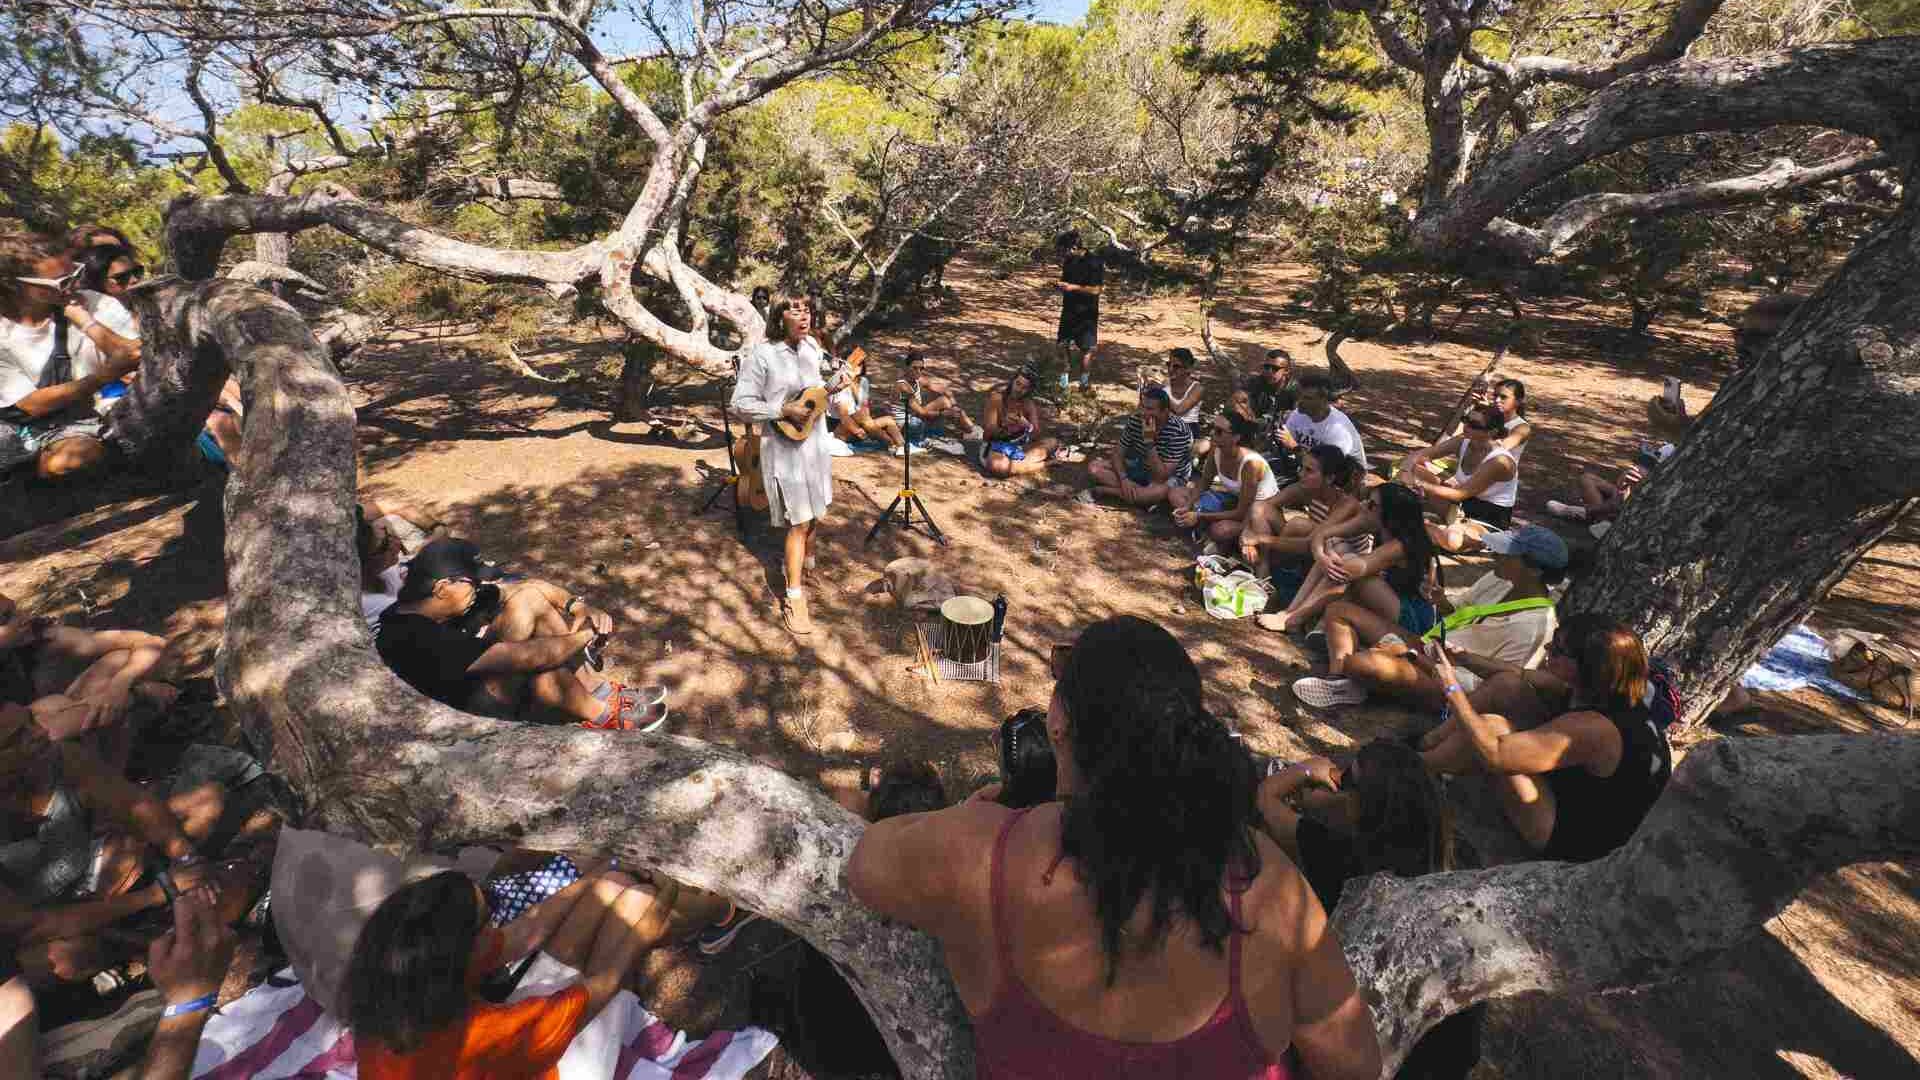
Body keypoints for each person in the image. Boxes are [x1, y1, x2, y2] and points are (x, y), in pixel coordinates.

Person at [848, 616, 1382, 1079]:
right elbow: (1354, 1064)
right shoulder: (1267, 886)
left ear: (1059, 725)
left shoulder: (982, 851)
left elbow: (866, 864)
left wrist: (965, 817)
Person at [0, 702, 267, 993]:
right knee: (69, 957)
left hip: (89, 884)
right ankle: (144, 945)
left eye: (32, 722)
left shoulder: (61, 759)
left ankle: (152, 932)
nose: (40, 734)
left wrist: (188, 860)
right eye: (16, 739)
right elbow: (30, 927)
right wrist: (154, 894)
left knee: (205, 804)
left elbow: (135, 805)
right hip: (31, 935)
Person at [1253, 743, 1482, 1077]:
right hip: (1446, 1057)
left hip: (1375, 1056)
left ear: (1360, 806)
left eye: (1348, 781)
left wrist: (1305, 770)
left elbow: (1265, 800)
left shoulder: (1342, 856)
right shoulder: (1460, 854)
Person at [344, 867, 674, 1078]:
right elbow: (607, 981)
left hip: (497, 1057)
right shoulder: (487, 1033)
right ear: (461, 946)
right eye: (490, 912)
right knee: (636, 903)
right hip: (550, 1068)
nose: (497, 920)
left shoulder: (401, 976)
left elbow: (523, 933)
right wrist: (658, 910)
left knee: (612, 886)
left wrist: (596, 876)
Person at [1420, 619, 1673, 861]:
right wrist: (1462, 658)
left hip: (1570, 836)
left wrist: (1452, 690)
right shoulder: (1601, 689)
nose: (1547, 648)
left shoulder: (1596, 729)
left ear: (1584, 667)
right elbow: (1517, 674)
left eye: (1559, 649)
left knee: (1492, 729)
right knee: (1508, 686)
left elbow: (1495, 753)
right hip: (1574, 789)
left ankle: (1416, 766)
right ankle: (1427, 742)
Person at [374, 539, 663, 729]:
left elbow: (529, 587)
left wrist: (577, 607)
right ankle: (602, 715)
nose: (477, 590)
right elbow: (518, 658)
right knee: (537, 666)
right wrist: (584, 636)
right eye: (472, 583)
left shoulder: (435, 605)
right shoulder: (413, 637)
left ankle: (597, 689)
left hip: (473, 670)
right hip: (468, 711)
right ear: (442, 588)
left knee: (529, 600)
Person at [1292, 525, 1566, 709]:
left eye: (1510, 554)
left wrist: (1413, 658)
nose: (1499, 556)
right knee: (1339, 611)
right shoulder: (1499, 579)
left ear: (1534, 570)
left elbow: (1488, 687)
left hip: (1451, 683)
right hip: (1431, 645)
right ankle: (1340, 681)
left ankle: (1355, 674)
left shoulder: (1534, 627)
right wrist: (1439, 600)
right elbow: (1459, 611)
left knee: (1364, 663)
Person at [733, 292, 837, 635]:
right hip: (785, 449)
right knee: (799, 521)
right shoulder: (763, 355)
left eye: (808, 310)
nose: (805, 317)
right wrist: (780, 410)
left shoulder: (813, 349)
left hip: (816, 445)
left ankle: (805, 566)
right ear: (779, 317)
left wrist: (836, 387)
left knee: (817, 512)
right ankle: (794, 596)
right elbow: (741, 403)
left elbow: (817, 395)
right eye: (796, 311)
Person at [0, 233, 141, 481]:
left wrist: (86, 322)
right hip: (16, 426)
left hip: (77, 421)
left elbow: (136, 354)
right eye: (60, 281)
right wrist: (104, 375)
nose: (73, 285)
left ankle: (30, 472)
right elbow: (28, 405)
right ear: (14, 284)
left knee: (76, 458)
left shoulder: (93, 303)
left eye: (76, 273)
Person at [1258, 481, 1433, 637]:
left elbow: (1351, 569)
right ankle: (1291, 613)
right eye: (1366, 499)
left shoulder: (1400, 545)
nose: (1363, 505)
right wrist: (1324, 554)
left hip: (1410, 616)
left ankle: (1295, 618)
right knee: (1338, 553)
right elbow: (1322, 534)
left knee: (1344, 565)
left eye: (1372, 504)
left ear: (1390, 514)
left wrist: (1329, 555)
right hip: (1387, 597)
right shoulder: (1373, 521)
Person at [1398, 403, 1520, 551]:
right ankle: (1432, 528)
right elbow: (1420, 454)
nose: (1466, 426)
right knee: (1416, 468)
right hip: (1459, 508)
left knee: (1452, 540)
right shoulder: (1463, 441)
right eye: (1465, 420)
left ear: (1492, 432)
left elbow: (1458, 494)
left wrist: (1418, 483)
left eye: (1474, 424)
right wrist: (1405, 471)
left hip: (1486, 518)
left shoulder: (1499, 461)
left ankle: (1436, 529)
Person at [1238, 445, 1363, 581]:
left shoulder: (1347, 505)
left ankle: (1267, 570)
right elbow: (1260, 508)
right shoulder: (1304, 489)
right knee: (1259, 507)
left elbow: (1309, 543)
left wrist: (1258, 538)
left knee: (1298, 525)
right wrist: (1247, 536)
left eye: (1309, 471)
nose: (1301, 474)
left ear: (1329, 478)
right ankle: (1264, 571)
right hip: (1313, 550)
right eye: (1302, 468)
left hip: (1341, 561)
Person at [1171, 411, 1279, 551]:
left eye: (1219, 431)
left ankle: (1206, 529)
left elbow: (1241, 512)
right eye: (1212, 428)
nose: (1212, 434)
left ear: (1236, 437)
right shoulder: (1216, 449)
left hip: (1257, 512)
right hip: (1234, 501)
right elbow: (1204, 482)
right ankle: (1203, 529)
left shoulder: (1251, 464)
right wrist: (1188, 506)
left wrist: (1198, 515)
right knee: (1176, 494)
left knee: (1220, 531)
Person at [1080, 386, 1193, 509]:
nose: (1144, 413)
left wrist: (1149, 441)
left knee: (1158, 490)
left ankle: (1104, 491)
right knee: (1094, 467)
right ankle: (1142, 497)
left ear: (1165, 411)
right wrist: (1124, 479)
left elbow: (1161, 476)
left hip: (1170, 477)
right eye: (1143, 407)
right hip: (1141, 467)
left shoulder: (1179, 431)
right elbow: (1118, 453)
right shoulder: (1136, 419)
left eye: (1150, 409)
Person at [356, 499, 443, 630]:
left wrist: (436, 529)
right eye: (385, 543)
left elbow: (390, 504)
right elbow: (437, 613)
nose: (395, 544)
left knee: (390, 520)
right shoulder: (378, 604)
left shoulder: (383, 570)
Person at [1546, 441, 1674, 527]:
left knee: (1623, 493)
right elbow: (1621, 485)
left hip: (1645, 500)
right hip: (1635, 491)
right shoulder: (1676, 447)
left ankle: (1585, 513)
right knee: (1588, 479)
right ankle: (1599, 518)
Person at [1278, 370, 1367, 474]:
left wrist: (1294, 447)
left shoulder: (1338, 429)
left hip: (1342, 479)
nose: (1299, 401)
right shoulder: (1298, 414)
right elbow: (1285, 444)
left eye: (1307, 398)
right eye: (1299, 396)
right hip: (1310, 471)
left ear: (1324, 400)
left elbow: (1327, 469)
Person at [890, 350, 982, 449]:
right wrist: (944, 413)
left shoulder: (917, 380)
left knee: (945, 401)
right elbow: (922, 413)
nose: (918, 371)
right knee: (922, 421)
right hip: (905, 424)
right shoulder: (903, 386)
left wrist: (954, 405)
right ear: (907, 368)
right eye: (915, 368)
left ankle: (970, 429)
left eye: (921, 368)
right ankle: (969, 431)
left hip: (914, 416)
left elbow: (945, 391)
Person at [981, 365, 1061, 478]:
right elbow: (988, 433)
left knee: (1053, 442)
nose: (1019, 389)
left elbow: (1036, 434)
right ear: (1012, 382)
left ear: (1029, 390)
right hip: (995, 449)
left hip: (1018, 447)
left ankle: (1017, 465)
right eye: (1018, 384)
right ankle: (1045, 463)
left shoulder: (1028, 404)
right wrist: (1004, 426)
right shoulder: (996, 399)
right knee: (998, 466)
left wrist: (1027, 425)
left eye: (1024, 388)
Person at [826, 349, 908, 455]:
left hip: (861, 424)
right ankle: (891, 443)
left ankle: (901, 446)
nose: (857, 366)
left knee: (888, 420)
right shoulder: (839, 385)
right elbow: (844, 416)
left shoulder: (864, 382)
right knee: (861, 416)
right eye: (853, 364)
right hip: (839, 429)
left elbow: (865, 410)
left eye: (860, 363)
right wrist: (858, 431)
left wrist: (869, 428)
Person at [1053, 231, 1104, 392]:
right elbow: (1066, 281)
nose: (1062, 254)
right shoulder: (1069, 260)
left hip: (1086, 313)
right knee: (1062, 344)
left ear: (1074, 247)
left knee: (1087, 349)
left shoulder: (1094, 262)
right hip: (1068, 309)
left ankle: (1084, 383)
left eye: (1063, 250)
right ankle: (1063, 382)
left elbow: (1096, 290)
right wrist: (1061, 286)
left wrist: (1073, 287)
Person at [1163, 348, 1207, 456]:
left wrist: (1164, 390)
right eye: (1169, 364)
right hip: (1166, 426)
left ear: (1188, 369)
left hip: (1188, 428)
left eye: (1176, 366)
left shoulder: (1197, 388)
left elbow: (1179, 410)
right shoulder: (1164, 383)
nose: (1170, 369)